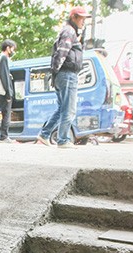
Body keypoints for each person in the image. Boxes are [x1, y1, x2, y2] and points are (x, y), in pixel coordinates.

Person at [35, 6, 91, 148]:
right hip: (67, 74)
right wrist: (56, 72)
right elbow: (61, 53)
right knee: (69, 109)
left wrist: (55, 75)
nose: (83, 21)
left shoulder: (70, 31)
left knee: (61, 108)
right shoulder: (69, 31)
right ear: (74, 17)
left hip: (62, 75)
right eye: (82, 18)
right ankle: (63, 140)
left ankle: (44, 134)